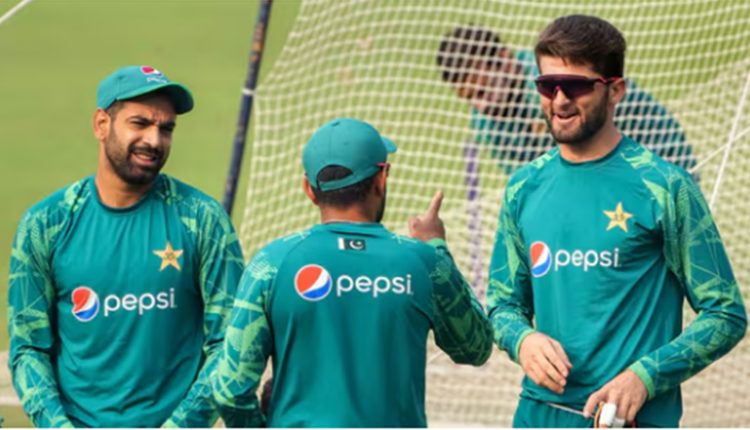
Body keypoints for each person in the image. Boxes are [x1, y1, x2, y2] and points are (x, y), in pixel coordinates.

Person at [486, 15, 747, 428]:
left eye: (575, 86)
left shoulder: (665, 187)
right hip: (537, 416)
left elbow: (726, 314)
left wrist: (645, 377)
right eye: (547, 85)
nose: (559, 100)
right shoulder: (523, 188)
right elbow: (502, 305)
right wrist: (523, 339)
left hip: (629, 421)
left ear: (616, 90)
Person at [210, 117, 494, 427]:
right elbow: (476, 347)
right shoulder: (423, 262)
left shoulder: (271, 264)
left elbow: (229, 390)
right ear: (381, 178)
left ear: (309, 189)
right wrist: (437, 246)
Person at [7, 65, 244, 427]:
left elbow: (230, 343)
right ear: (101, 124)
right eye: (140, 123)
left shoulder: (203, 220)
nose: (154, 140)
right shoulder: (45, 224)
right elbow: (28, 347)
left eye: (166, 129)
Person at [437, 25, 697, 175]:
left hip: (659, 159)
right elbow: (529, 178)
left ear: (505, 59)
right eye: (469, 97)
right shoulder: (486, 125)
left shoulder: (552, 78)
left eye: (483, 90)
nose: (480, 105)